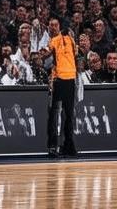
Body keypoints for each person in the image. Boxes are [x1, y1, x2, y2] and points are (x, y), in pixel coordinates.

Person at [41, 16, 78, 157]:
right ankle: (53, 146)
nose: (54, 27)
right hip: (58, 80)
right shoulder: (53, 41)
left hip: (70, 79)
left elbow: (75, 55)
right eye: (51, 25)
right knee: (55, 113)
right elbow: (46, 53)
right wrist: (41, 53)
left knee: (68, 115)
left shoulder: (71, 40)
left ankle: (68, 145)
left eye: (56, 25)